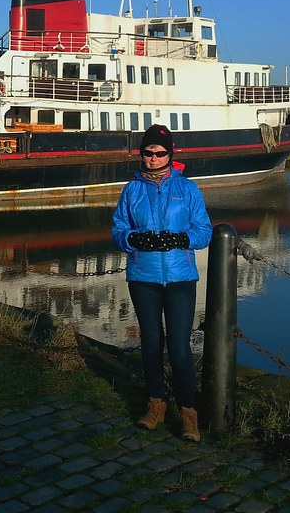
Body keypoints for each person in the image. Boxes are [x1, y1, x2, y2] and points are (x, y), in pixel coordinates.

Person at [112, 124, 213, 441]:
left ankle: (189, 414)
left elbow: (204, 231)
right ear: (141, 154)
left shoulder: (188, 190)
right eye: (148, 152)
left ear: (170, 155)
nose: (153, 158)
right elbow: (118, 229)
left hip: (181, 279)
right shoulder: (131, 190)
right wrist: (132, 238)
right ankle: (156, 405)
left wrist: (182, 237)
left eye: (160, 153)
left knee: (180, 349)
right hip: (143, 278)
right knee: (151, 345)